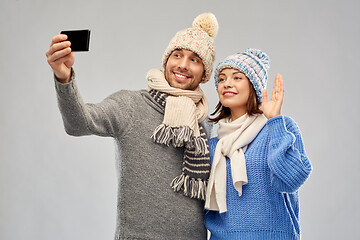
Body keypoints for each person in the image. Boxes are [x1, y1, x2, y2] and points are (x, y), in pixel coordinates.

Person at [46, 13, 218, 240]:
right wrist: (64, 77)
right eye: (177, 55)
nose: (183, 65)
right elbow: (79, 123)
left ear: (204, 74)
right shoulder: (130, 105)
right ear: (166, 60)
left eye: (195, 60)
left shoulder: (204, 121)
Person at [204, 49, 312, 240]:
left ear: (253, 85)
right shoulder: (214, 144)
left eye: (237, 78)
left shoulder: (281, 127)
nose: (227, 83)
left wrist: (275, 121)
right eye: (222, 79)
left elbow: (291, 180)